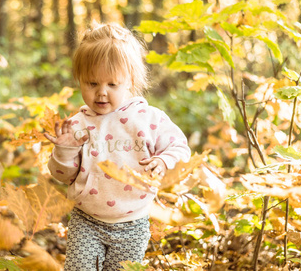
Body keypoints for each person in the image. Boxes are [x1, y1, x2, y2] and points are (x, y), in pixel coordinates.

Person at [44, 22, 191, 271]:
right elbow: (62, 176)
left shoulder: (148, 118)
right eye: (92, 83)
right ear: (80, 80)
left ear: (129, 81)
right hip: (86, 219)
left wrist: (163, 160)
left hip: (133, 220)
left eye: (112, 85)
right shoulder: (78, 124)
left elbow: (180, 147)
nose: (101, 93)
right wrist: (64, 150)